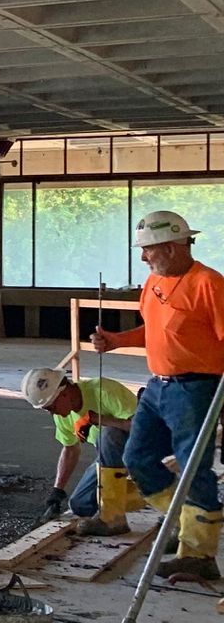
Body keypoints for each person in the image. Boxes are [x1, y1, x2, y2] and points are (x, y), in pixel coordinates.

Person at [92, 209, 224, 579]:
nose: (143, 258)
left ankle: (199, 555)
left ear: (170, 247)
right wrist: (116, 341)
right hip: (158, 386)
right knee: (137, 456)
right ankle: (181, 523)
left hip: (197, 388)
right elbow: (154, 330)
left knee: (193, 467)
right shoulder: (153, 283)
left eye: (147, 250)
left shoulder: (210, 284)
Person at [20, 366, 137, 535]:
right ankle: (146, 493)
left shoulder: (104, 390)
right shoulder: (62, 415)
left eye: (50, 407)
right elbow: (70, 449)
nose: (51, 413)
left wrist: (97, 419)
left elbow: (143, 427)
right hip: (111, 461)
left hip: (144, 450)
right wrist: (57, 490)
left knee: (108, 435)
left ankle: (113, 518)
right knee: (81, 504)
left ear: (63, 393)